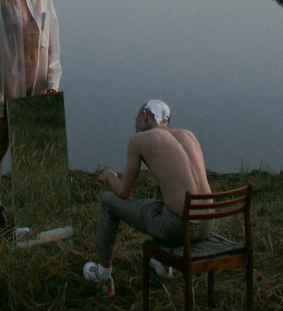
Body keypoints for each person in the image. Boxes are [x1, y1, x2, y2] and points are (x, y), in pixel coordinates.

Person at [82, 99, 210, 294]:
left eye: (136, 120)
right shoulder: (189, 136)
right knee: (163, 197)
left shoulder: (139, 141)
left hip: (177, 228)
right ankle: (162, 263)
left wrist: (111, 177)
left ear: (144, 117)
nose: (135, 126)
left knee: (108, 201)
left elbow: (124, 193)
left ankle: (103, 275)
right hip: (207, 224)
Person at [0, 0, 61, 230]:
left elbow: (52, 39)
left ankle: (33, 212)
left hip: (38, 85)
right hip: (9, 88)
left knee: (33, 150)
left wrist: (53, 79)